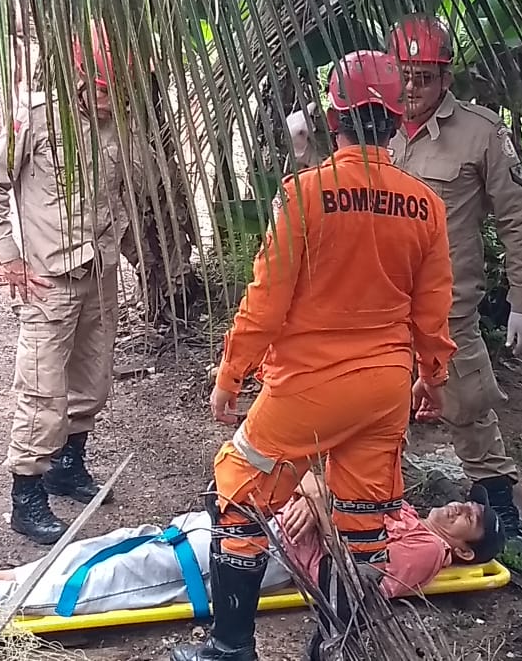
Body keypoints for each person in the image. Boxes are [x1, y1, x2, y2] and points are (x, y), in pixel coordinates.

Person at [172, 50, 456, 661]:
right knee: (359, 522)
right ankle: (336, 648)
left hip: (311, 385)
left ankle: (230, 647)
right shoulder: (425, 205)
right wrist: (432, 378)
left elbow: (265, 301)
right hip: (385, 388)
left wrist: (230, 375)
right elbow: (434, 311)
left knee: (237, 493)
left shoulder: (306, 196)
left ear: (336, 117)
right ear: (397, 118)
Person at [0, 473, 503, 615]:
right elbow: (321, 477)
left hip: (270, 558)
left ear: (465, 550)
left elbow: (353, 590)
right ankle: (0, 578)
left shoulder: (425, 551)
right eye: (468, 501)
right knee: (119, 544)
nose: (462, 506)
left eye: (471, 517)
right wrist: (315, 490)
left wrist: (322, 517)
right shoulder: (398, 504)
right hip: (256, 522)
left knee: (135, 571)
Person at [385, 14, 522, 536]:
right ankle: (376, 497)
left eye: (424, 76)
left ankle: (496, 495)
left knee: (465, 400)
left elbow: (517, 219)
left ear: (445, 78)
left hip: (445, 301)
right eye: (404, 74)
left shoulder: (481, 134)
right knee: (374, 398)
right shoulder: (373, 124)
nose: (412, 87)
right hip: (379, 295)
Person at [0, 21, 134, 546]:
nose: (110, 103)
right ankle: (27, 495)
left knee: (92, 379)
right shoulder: (37, 116)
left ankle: (69, 465)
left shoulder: (122, 124)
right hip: (50, 277)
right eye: (103, 91)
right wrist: (10, 259)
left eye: (118, 92)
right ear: (78, 80)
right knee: (41, 388)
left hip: (100, 270)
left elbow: (121, 192)